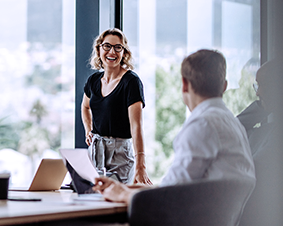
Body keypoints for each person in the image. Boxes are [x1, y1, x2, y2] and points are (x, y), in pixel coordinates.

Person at [93, 49, 255, 203]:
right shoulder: (232, 123)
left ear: (184, 84)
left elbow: (168, 198)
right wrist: (126, 188)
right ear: (224, 86)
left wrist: (121, 194)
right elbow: (175, 187)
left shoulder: (202, 125)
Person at [81, 28, 151, 185]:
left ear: (124, 53)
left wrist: (141, 165)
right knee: (94, 201)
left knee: (117, 202)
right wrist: (88, 130)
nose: (111, 51)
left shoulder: (131, 82)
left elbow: (136, 126)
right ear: (99, 49)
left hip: (120, 153)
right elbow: (85, 107)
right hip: (95, 151)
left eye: (117, 47)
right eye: (107, 46)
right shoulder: (93, 80)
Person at [238, 59, 283, 226]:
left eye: (262, 85)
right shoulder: (265, 130)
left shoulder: (276, 134)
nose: (257, 93)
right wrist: (261, 107)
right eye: (257, 86)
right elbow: (234, 129)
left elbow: (253, 167)